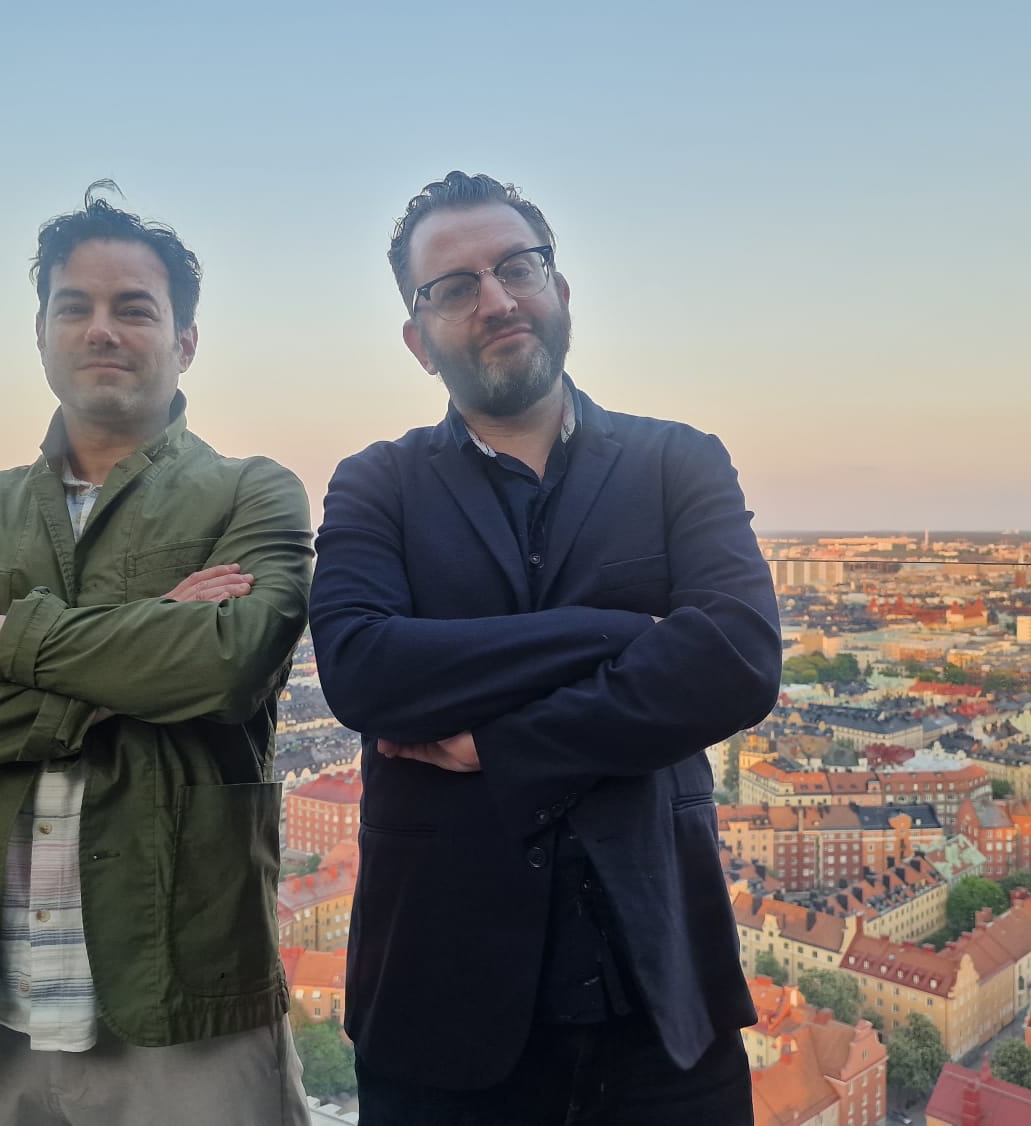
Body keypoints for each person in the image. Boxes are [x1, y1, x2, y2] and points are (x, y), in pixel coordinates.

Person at [309, 171, 782, 1125]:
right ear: (417, 338)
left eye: (516, 267)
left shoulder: (678, 459)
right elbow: (363, 669)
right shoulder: (377, 484)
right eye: (453, 286)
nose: (494, 299)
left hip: (663, 1004)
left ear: (559, 291)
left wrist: (498, 742)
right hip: (441, 1013)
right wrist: (620, 636)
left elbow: (735, 657)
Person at [0, 182, 314, 1126]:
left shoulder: (253, 493)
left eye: (134, 308)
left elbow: (226, 667)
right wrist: (132, 660)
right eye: (77, 307)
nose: (103, 329)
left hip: (191, 995)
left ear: (184, 342)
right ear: (42, 333)